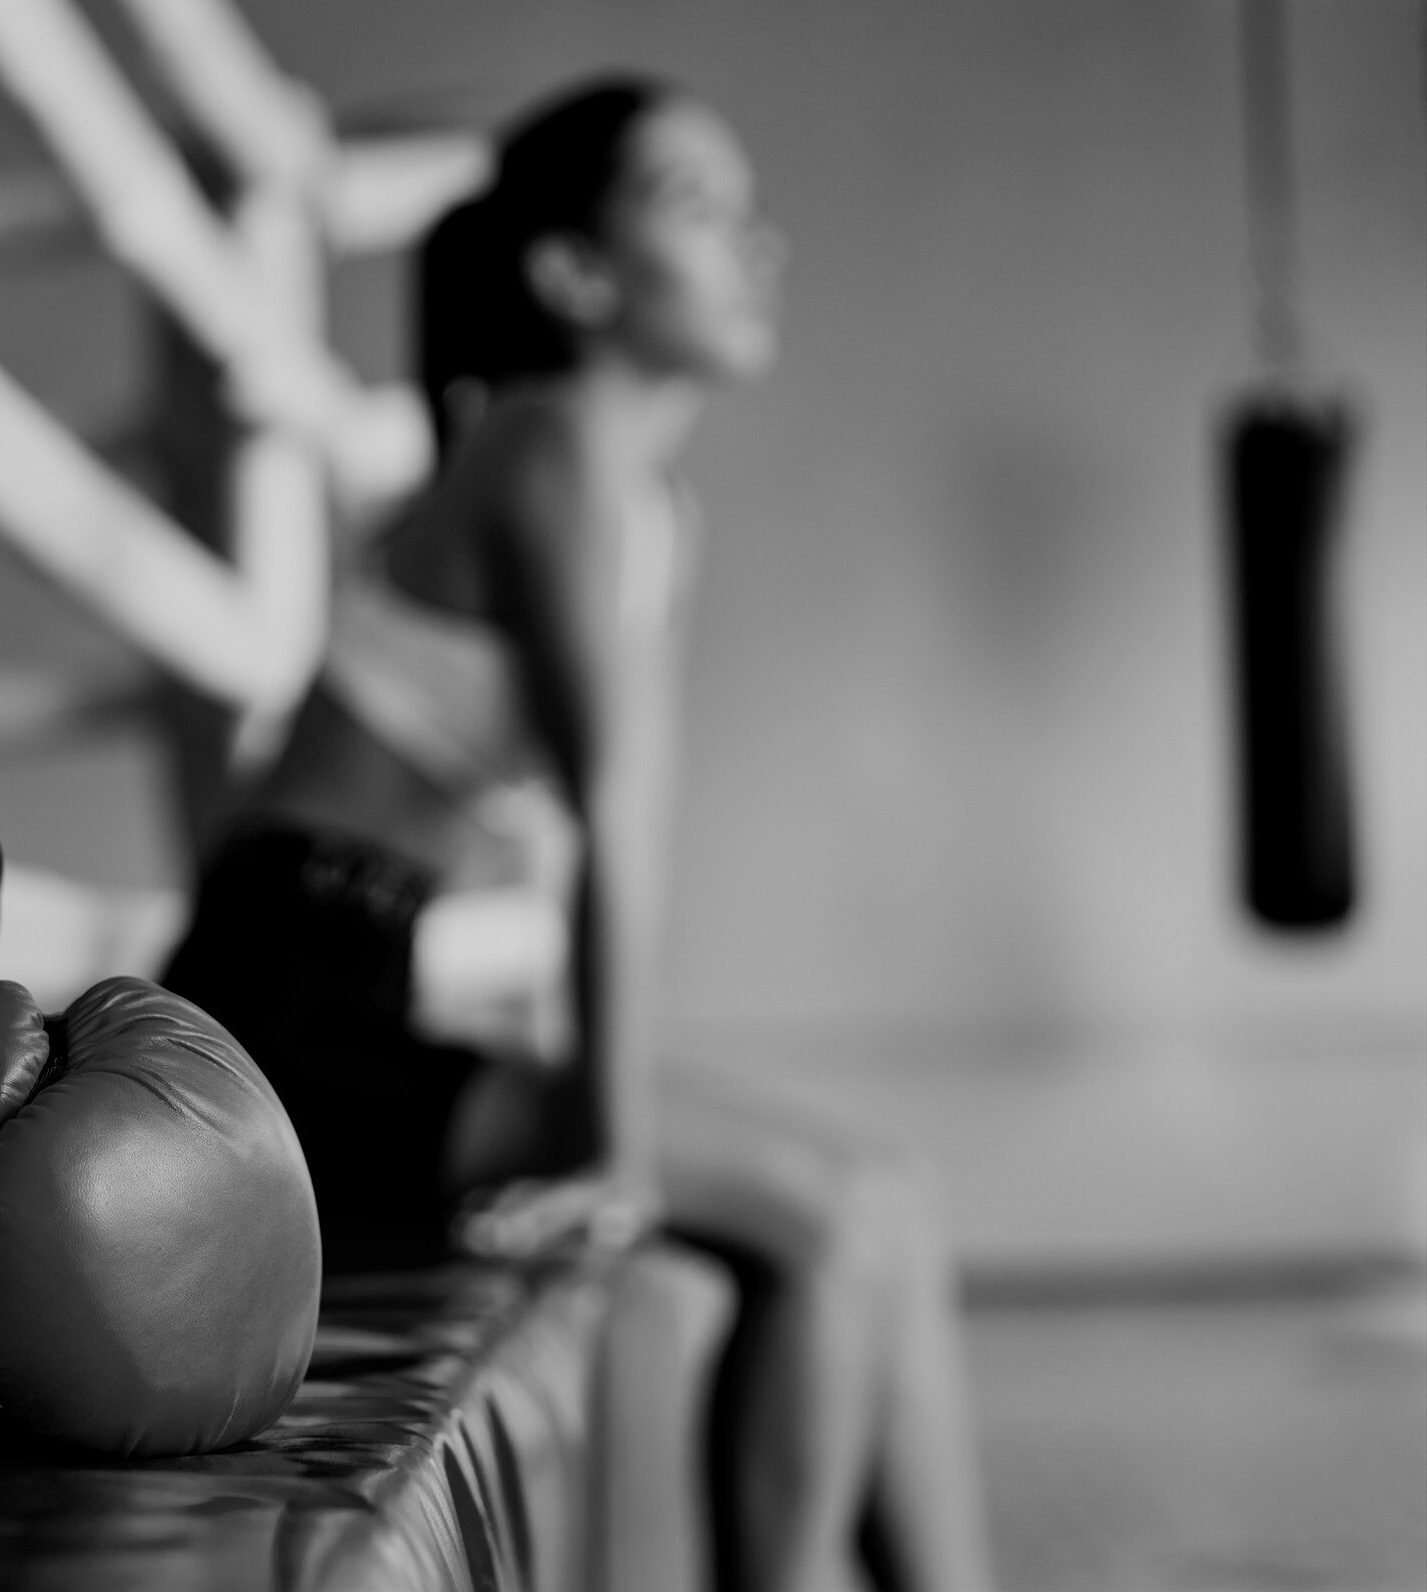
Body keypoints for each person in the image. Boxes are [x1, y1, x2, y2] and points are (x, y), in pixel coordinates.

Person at [163, 79, 994, 1592]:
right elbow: (616, 811)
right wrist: (606, 1144)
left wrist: (601, 1127)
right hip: (282, 1013)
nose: (760, 244)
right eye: (695, 203)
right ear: (573, 274)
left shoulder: (637, 497)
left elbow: (586, 818)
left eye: (751, 210)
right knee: (847, 1210)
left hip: (351, 982)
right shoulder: (546, 445)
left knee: (877, 1203)